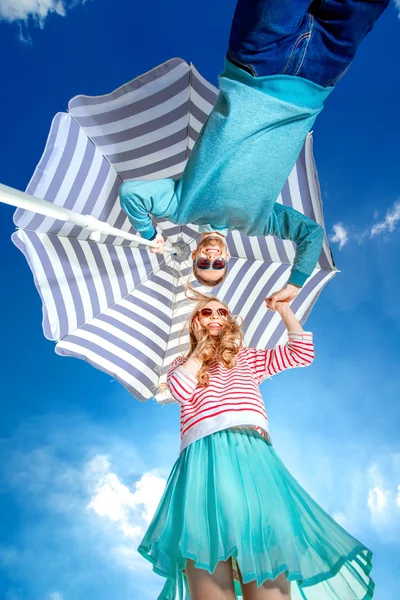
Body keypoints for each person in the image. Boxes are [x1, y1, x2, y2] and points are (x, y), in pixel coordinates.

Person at [120, 0, 389, 307]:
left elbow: (132, 193)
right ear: (227, 258)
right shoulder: (259, 222)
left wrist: (149, 232)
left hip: (256, 60)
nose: (211, 259)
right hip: (322, 72)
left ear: (194, 255)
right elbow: (311, 235)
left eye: (203, 264)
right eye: (217, 266)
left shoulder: (182, 207)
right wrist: (295, 284)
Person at [137, 291, 374, 600]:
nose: (215, 317)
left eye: (222, 312)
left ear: (230, 322)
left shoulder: (247, 358)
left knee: (268, 566)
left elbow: (300, 353)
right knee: (207, 565)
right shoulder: (185, 364)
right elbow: (181, 391)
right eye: (206, 313)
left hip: (251, 453)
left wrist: (285, 310)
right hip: (202, 462)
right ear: (196, 322)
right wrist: (200, 352)